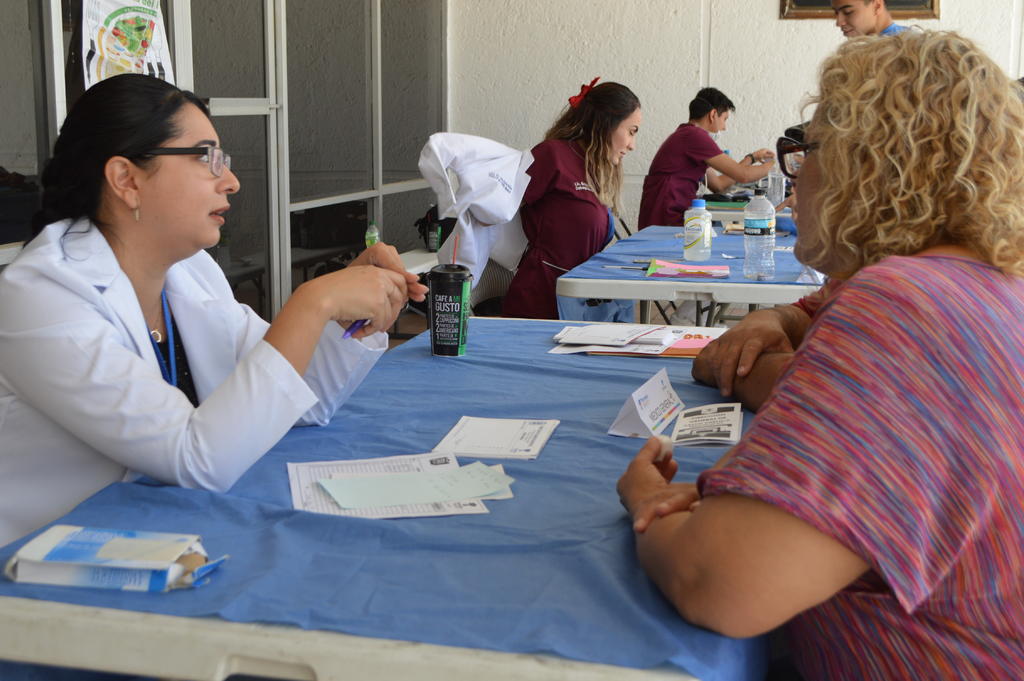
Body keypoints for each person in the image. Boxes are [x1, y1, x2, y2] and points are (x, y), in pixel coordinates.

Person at [618, 31, 1024, 681]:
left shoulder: (908, 304)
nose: (794, 181)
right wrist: (775, 317)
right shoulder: (986, 280)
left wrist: (642, 496)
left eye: (806, 153)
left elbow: (715, 580)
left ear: (869, 163)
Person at [0, 74, 427, 546]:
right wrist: (313, 302)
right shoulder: (40, 294)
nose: (232, 181)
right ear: (126, 179)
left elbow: (301, 399)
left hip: (164, 534)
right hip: (47, 572)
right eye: (208, 159)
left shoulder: (188, 271)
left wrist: (350, 320)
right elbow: (195, 458)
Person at [502, 79, 641, 319]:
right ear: (606, 123)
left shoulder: (594, 168)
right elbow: (497, 209)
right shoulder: (552, 155)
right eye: (631, 132)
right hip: (540, 305)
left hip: (578, 302)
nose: (632, 145)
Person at [637, 88, 775, 229]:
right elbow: (744, 175)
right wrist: (781, 164)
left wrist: (752, 158)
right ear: (713, 114)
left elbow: (718, 184)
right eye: (724, 119)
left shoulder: (686, 134)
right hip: (666, 220)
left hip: (662, 216)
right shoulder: (695, 136)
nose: (724, 127)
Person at [832, 0, 909, 37]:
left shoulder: (907, 49)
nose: (838, 23)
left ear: (877, 6)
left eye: (847, 12)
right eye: (836, 13)